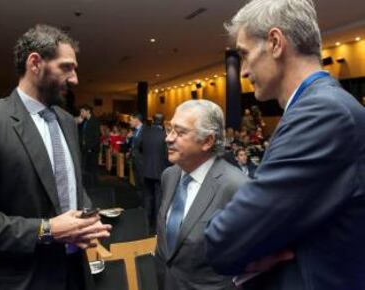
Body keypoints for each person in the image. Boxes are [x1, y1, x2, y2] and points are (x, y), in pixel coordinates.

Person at [205, 1, 365, 290]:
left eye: (244, 54)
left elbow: (223, 240)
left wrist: (250, 246)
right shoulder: (321, 106)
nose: (242, 71)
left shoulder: (322, 113)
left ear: (276, 43)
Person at [0, 24, 111, 290]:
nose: (75, 80)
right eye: (66, 67)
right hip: (21, 280)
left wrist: (85, 218)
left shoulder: (66, 121)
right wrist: (45, 229)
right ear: (35, 63)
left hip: (76, 274)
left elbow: (69, 182)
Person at [155, 100, 247, 290]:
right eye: (169, 129)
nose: (169, 139)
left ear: (207, 141)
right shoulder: (169, 176)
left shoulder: (236, 186)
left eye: (180, 132)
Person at [141, 113, 171, 234]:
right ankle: (157, 226)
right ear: (163, 121)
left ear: (153, 121)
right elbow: (166, 154)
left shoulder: (145, 133)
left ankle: (146, 223)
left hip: (146, 170)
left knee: (148, 197)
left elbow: (140, 148)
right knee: (159, 198)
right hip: (160, 170)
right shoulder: (165, 135)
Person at [79, 104, 101, 189]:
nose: (81, 113)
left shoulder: (94, 121)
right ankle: (89, 186)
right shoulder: (85, 121)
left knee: (93, 168)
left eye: (82, 111)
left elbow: (96, 137)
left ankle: (95, 186)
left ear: (88, 111)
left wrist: (90, 148)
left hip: (92, 149)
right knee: (87, 168)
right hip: (86, 148)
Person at [128, 113, 144, 200]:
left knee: (143, 184)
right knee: (137, 184)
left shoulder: (145, 130)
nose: (129, 122)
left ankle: (146, 206)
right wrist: (128, 138)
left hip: (142, 162)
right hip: (135, 161)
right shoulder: (134, 131)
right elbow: (132, 145)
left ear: (136, 120)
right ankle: (141, 204)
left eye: (131, 120)